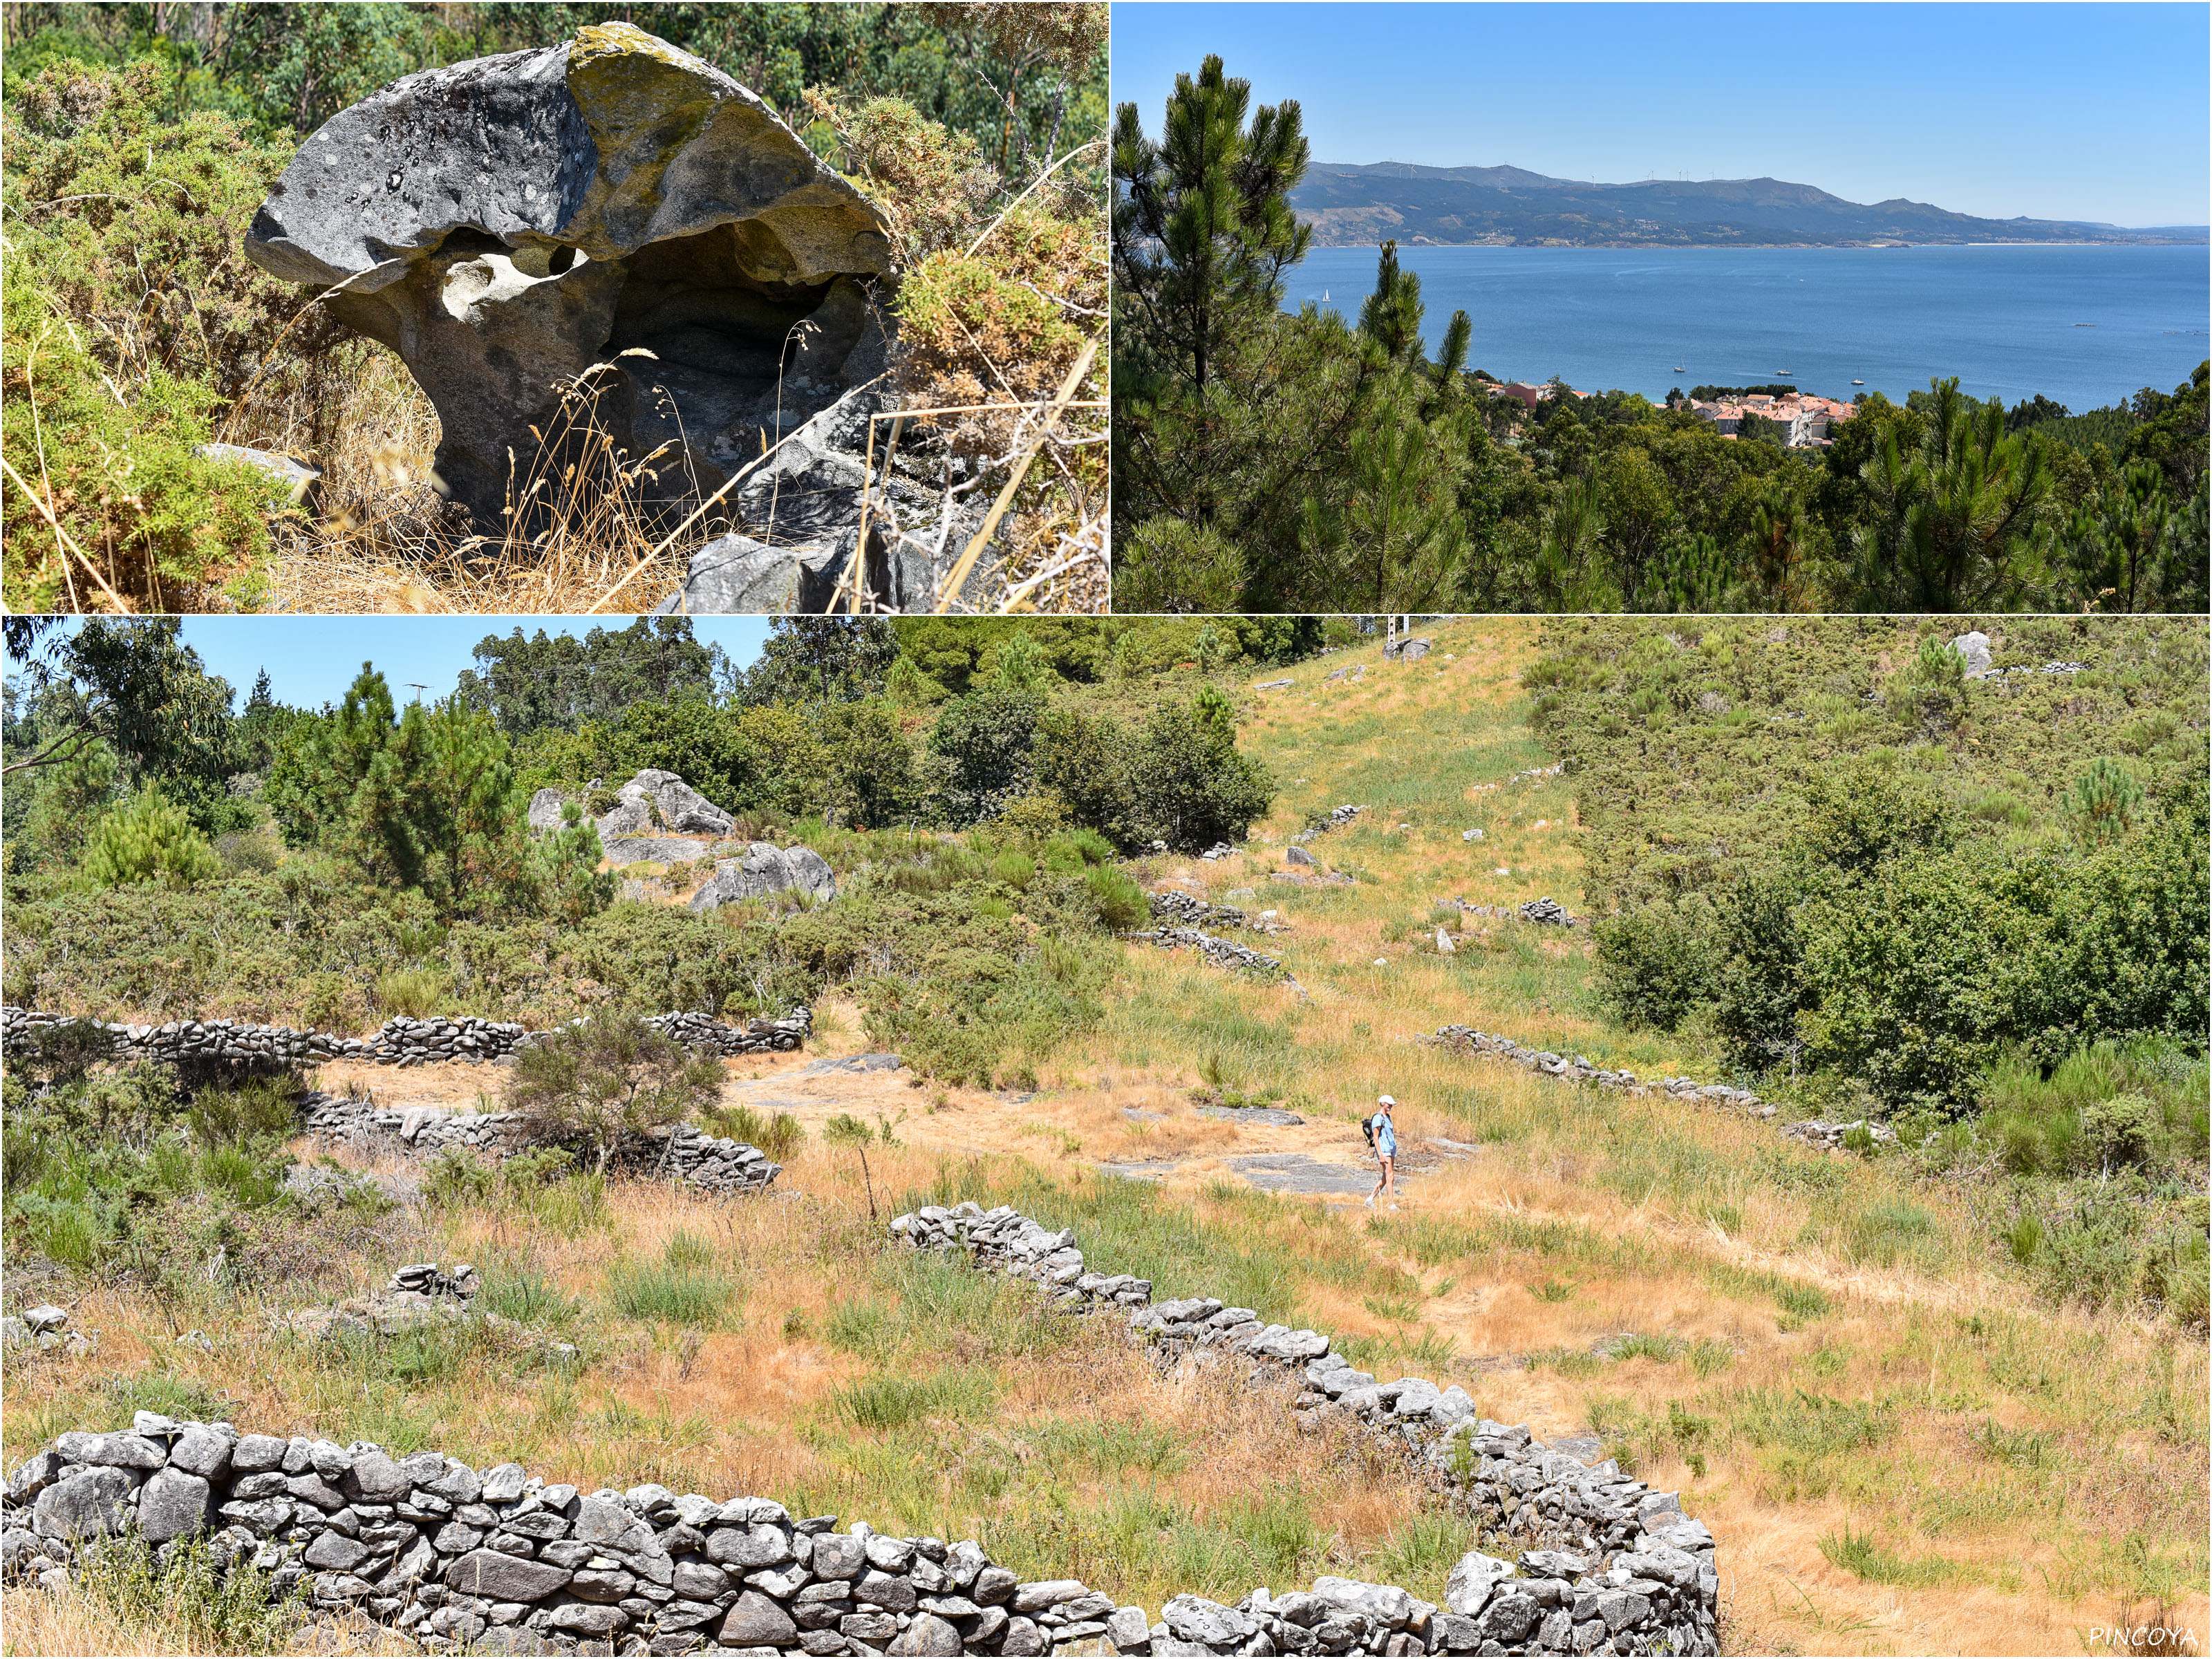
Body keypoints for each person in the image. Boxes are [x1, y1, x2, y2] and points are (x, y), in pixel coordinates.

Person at [1365, 1094, 1398, 1209]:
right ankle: (1391, 1204)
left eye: (1391, 1104)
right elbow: (1376, 1137)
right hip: (1384, 1150)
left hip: (1391, 1149)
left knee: (1386, 1177)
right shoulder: (1378, 1118)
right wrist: (1380, 1155)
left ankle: (1370, 1199)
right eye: (1388, 1104)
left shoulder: (1387, 1117)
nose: (1390, 1106)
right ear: (1382, 1104)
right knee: (1390, 1176)